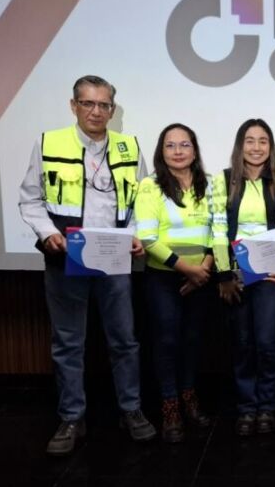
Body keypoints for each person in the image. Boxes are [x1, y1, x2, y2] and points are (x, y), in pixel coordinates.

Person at [18, 74, 155, 455]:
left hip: (114, 257)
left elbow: (142, 201)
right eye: (88, 103)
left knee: (124, 340)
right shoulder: (49, 143)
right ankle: (71, 418)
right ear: (74, 106)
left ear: (112, 109)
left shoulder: (129, 147)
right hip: (66, 257)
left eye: (103, 105)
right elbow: (30, 199)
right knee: (68, 342)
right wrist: (48, 233)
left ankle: (131, 410)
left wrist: (136, 234)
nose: (96, 111)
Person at [212, 119, 275, 436]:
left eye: (263, 141)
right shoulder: (224, 180)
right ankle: (247, 408)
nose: (256, 147)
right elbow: (218, 229)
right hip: (234, 274)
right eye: (250, 140)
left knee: (267, 342)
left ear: (270, 147)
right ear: (240, 145)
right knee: (242, 342)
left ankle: (267, 407)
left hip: (270, 273)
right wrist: (223, 274)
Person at [134, 123, 215, 443]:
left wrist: (204, 268)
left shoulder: (210, 185)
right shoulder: (150, 186)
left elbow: (219, 230)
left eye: (185, 145)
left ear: (195, 150)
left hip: (202, 277)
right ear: (161, 151)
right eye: (170, 145)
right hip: (164, 279)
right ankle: (170, 407)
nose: (178, 151)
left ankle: (189, 398)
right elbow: (148, 238)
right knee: (167, 342)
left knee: (193, 341)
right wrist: (187, 269)